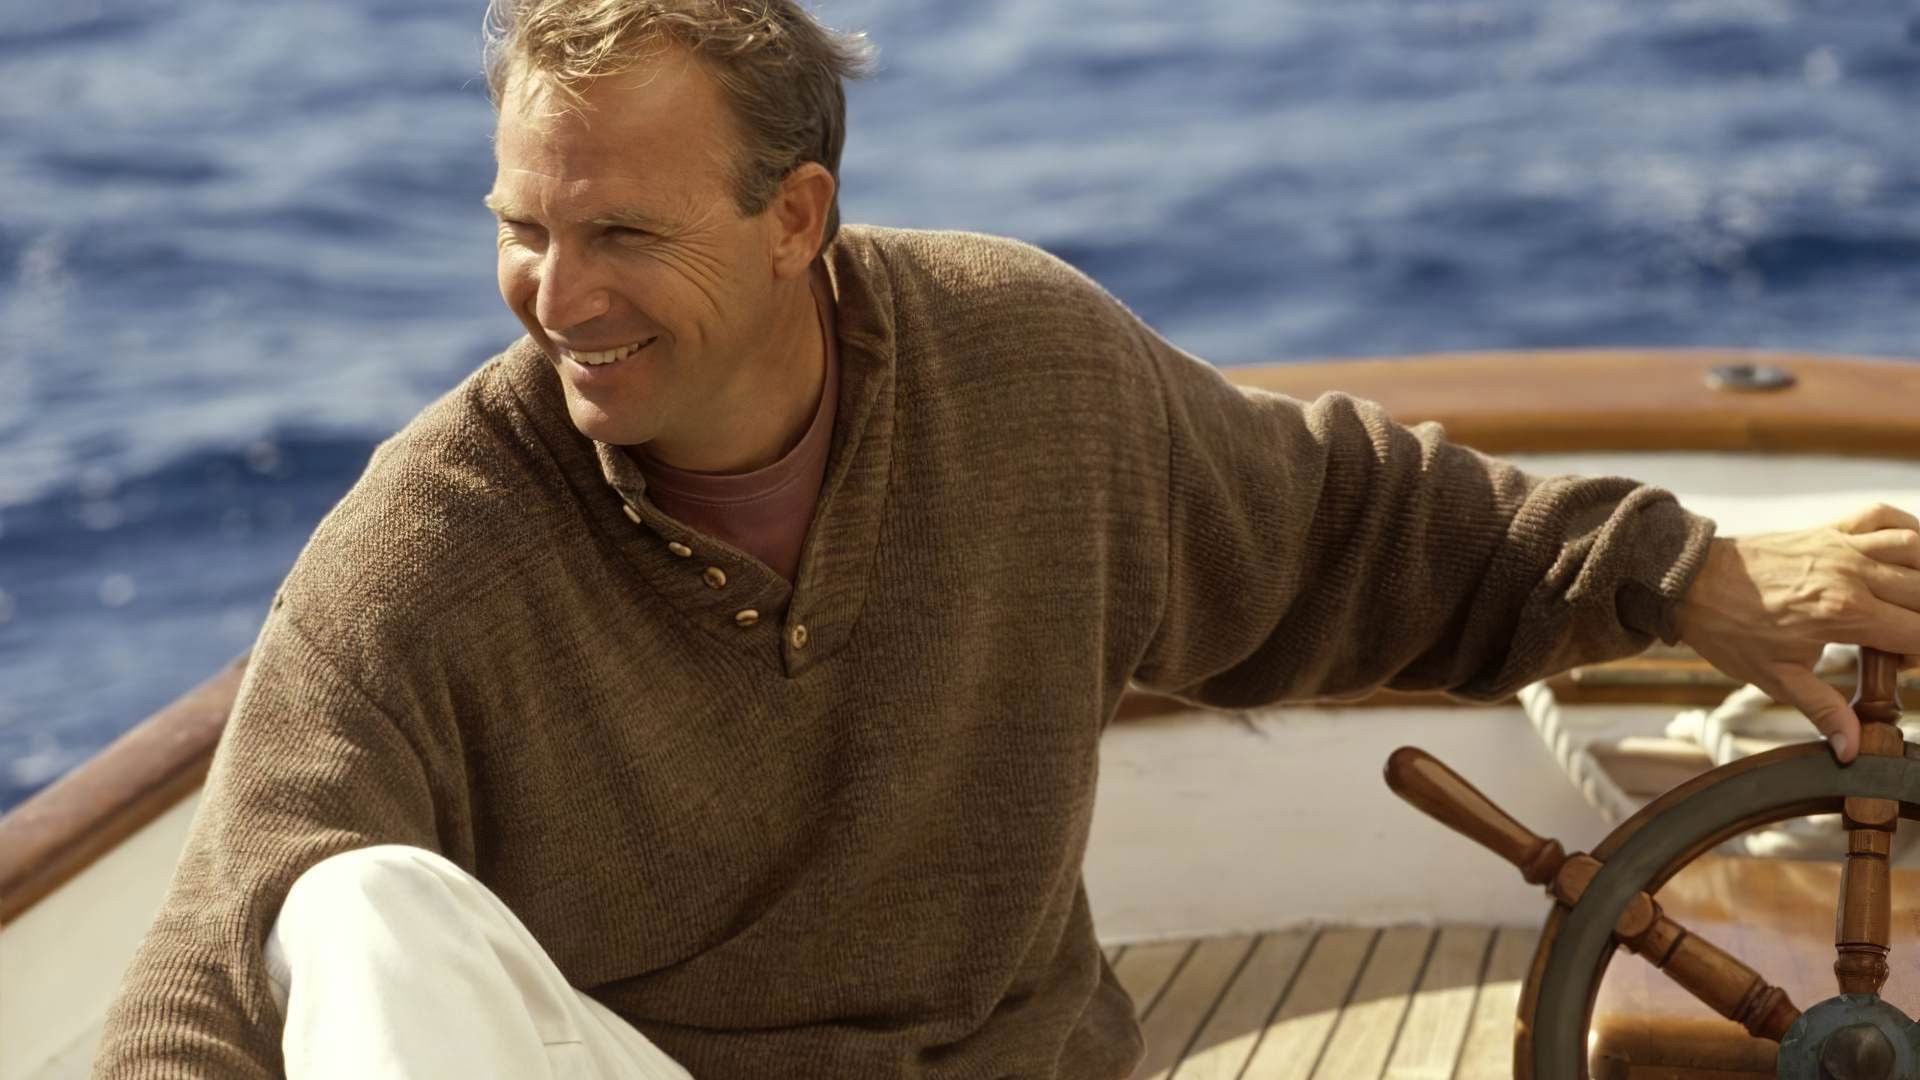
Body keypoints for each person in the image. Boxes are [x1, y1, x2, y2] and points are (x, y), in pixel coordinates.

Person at [95, 1, 1920, 1077]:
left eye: (622, 236)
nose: (553, 298)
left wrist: (1689, 572)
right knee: (356, 913)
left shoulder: (1022, 372)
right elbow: (219, 962)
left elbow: (1349, 526)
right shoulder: (442, 541)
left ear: (797, 217)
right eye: (523, 228)